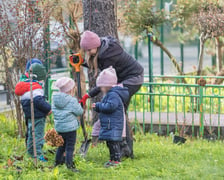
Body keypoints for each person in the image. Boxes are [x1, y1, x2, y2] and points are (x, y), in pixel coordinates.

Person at [79, 30, 144, 158]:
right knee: (119, 112)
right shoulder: (102, 49)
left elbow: (105, 83)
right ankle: (123, 147)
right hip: (122, 80)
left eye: (88, 50)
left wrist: (89, 95)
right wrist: (81, 62)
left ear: (96, 46)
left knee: (118, 112)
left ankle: (125, 147)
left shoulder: (108, 55)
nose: (87, 53)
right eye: (85, 50)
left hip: (133, 79)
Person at [92, 67, 129, 167]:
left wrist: (98, 106)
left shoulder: (113, 95)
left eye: (101, 86)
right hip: (110, 124)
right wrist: (99, 106)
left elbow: (110, 107)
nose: (100, 89)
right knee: (110, 143)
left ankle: (116, 160)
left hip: (113, 125)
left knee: (114, 144)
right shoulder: (110, 94)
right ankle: (112, 159)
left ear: (107, 85)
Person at [15, 62, 52, 162]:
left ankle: (30, 152)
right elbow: (38, 101)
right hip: (38, 117)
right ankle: (38, 155)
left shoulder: (25, 86)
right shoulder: (36, 88)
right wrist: (48, 108)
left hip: (29, 116)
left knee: (31, 135)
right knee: (38, 136)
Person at [52, 77, 83, 172]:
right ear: (71, 89)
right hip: (70, 129)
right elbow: (79, 112)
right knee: (69, 148)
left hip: (60, 128)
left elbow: (53, 111)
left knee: (61, 146)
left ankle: (57, 162)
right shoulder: (72, 100)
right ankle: (69, 165)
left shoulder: (54, 99)